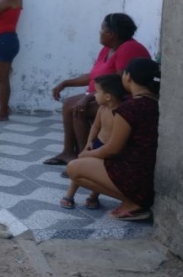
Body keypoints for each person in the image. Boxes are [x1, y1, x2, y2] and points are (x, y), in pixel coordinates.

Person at [44, 13, 151, 166]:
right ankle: (68, 152)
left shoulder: (128, 48)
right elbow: (93, 76)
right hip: (102, 95)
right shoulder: (108, 48)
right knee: (68, 103)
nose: (99, 32)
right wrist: (66, 83)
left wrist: (87, 97)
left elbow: (119, 85)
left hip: (121, 100)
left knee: (78, 108)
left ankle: (85, 159)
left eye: (102, 29)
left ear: (111, 34)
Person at [66, 58, 161, 221]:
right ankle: (134, 200)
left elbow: (112, 149)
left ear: (128, 77)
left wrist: (88, 154)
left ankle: (134, 203)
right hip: (148, 174)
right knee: (82, 165)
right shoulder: (156, 103)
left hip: (134, 175)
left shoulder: (129, 108)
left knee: (74, 168)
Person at [59, 74, 127, 210]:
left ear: (107, 96)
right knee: (79, 163)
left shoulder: (121, 112)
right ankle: (69, 195)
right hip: (97, 144)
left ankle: (93, 196)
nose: (94, 95)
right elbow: (95, 126)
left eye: (97, 92)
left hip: (110, 149)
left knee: (99, 172)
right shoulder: (102, 109)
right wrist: (89, 142)